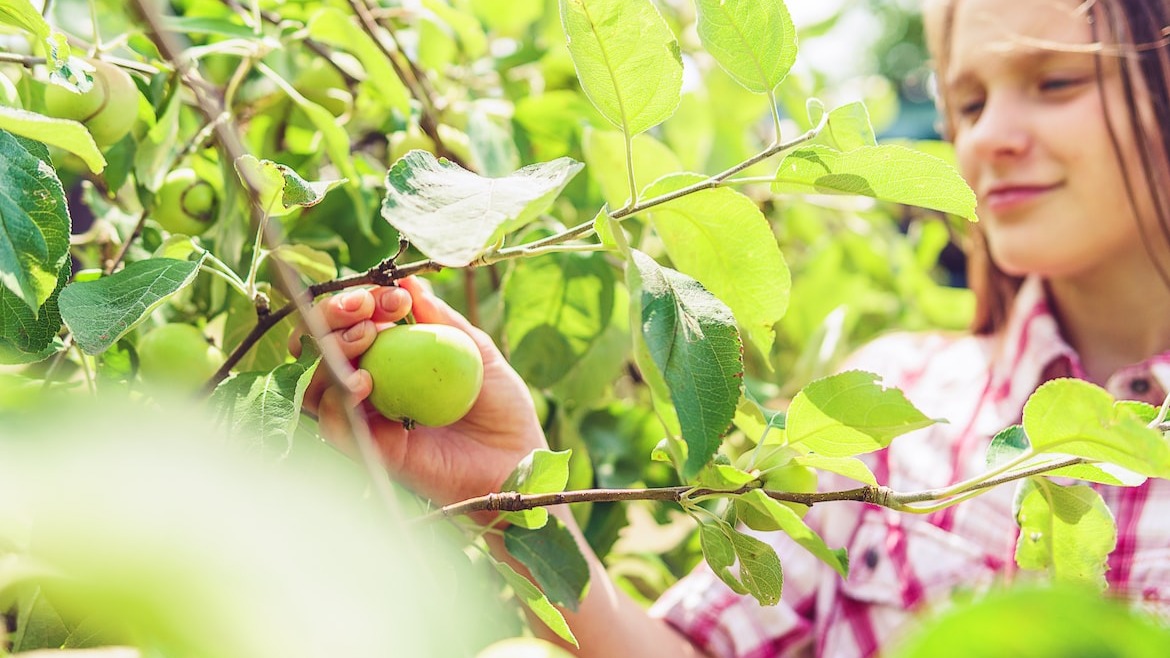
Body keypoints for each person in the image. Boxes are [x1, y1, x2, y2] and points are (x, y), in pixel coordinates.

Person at [297, 0, 1170, 655]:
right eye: (969, 104)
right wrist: (509, 486)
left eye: (1054, 82)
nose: (994, 139)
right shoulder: (894, 407)